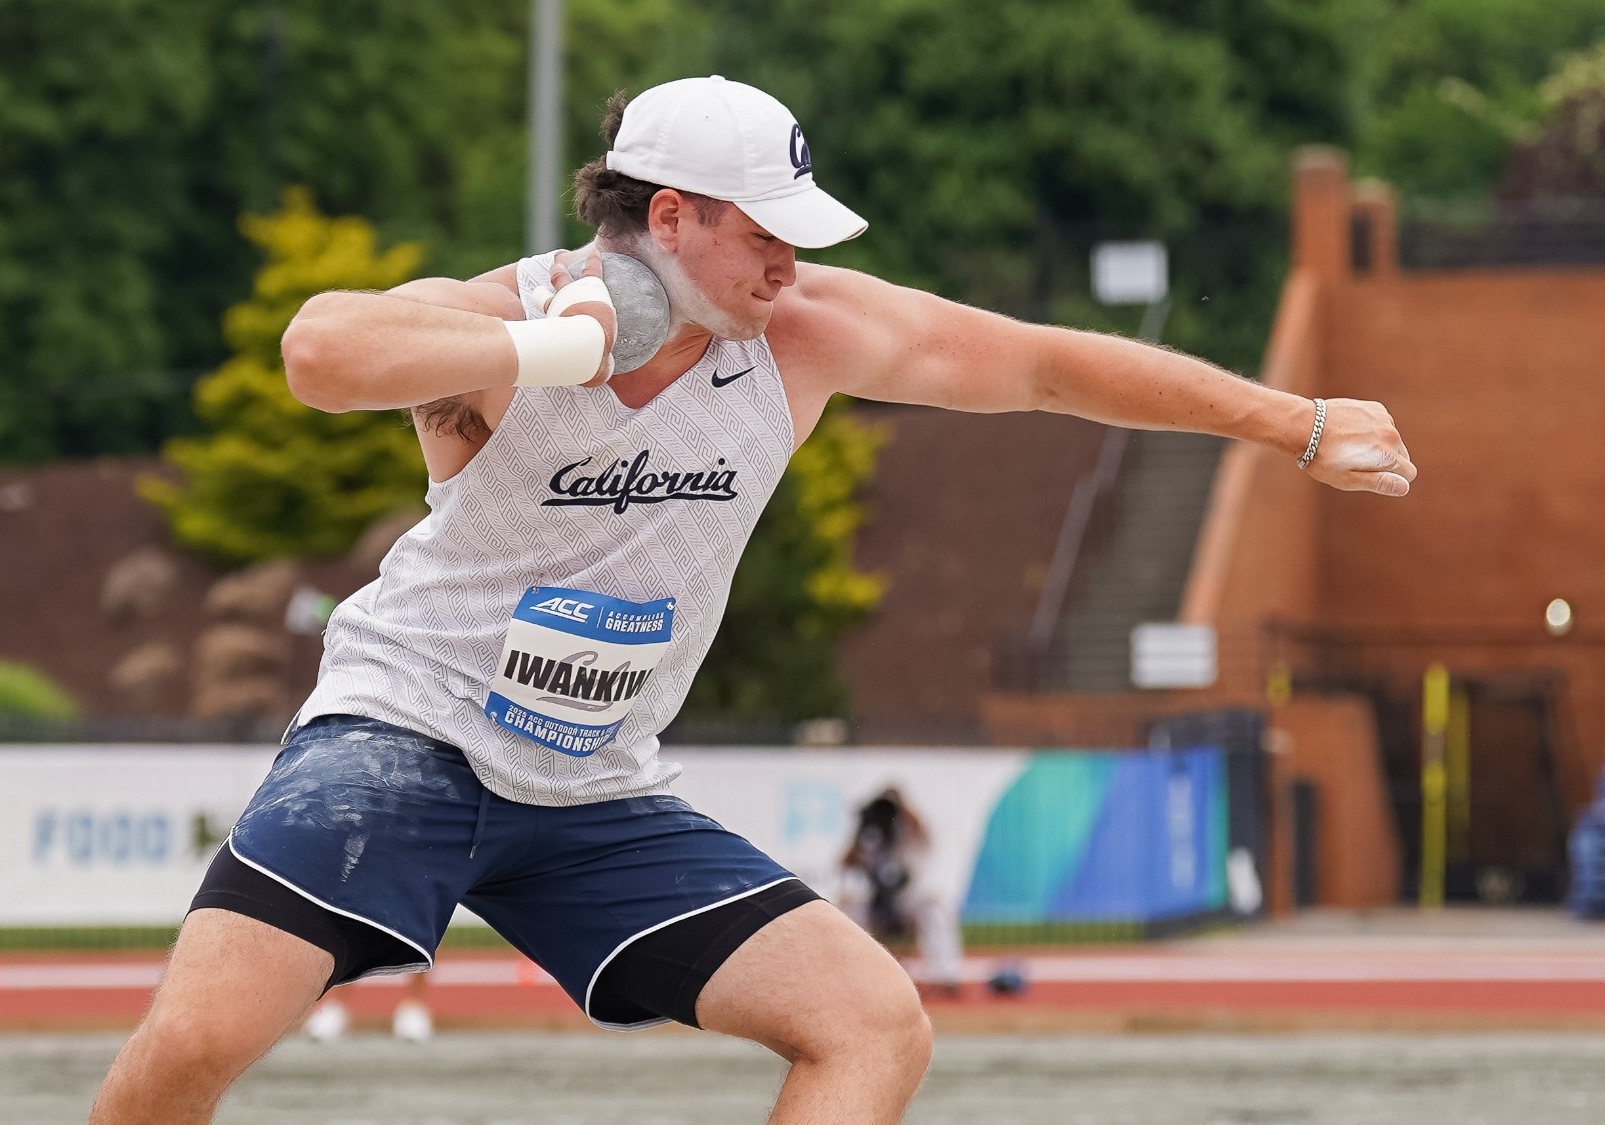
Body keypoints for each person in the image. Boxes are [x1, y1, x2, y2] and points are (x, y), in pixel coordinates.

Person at [91, 76, 1414, 1125]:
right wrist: (546, 348)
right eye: (766, 233)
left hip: (594, 787)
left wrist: (1294, 421)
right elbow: (319, 350)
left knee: (873, 1024)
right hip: (404, 741)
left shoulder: (807, 334)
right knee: (199, 1038)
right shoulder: (516, 317)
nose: (791, 263)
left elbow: (1050, 366)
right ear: (670, 219)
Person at [838, 788, 964, 997]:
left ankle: (945, 975)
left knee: (934, 907)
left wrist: (899, 804)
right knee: (845, 909)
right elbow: (844, 862)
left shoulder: (905, 831)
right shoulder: (869, 837)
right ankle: (849, 975)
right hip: (874, 902)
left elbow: (924, 834)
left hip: (905, 900)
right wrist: (863, 825)